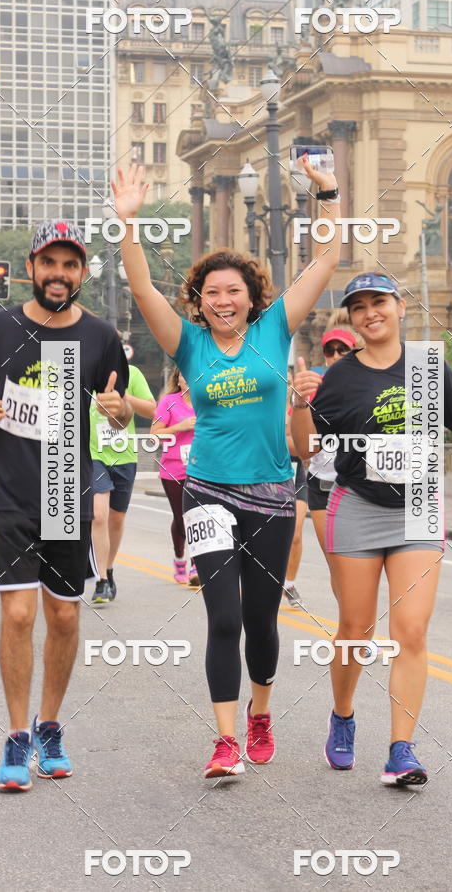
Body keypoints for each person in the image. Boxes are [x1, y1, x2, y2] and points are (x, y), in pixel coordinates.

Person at [115, 161, 342, 779]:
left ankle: (260, 711)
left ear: (250, 298)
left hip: (270, 497)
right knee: (224, 617)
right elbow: (142, 293)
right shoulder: (188, 343)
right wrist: (128, 224)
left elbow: (323, 264)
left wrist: (327, 195)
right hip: (208, 493)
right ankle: (224, 740)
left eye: (232, 291)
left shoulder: (274, 329)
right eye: (211, 292)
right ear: (200, 300)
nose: (222, 301)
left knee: (264, 620)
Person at [291, 272, 452, 786]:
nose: (371, 312)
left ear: (400, 306)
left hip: (419, 509)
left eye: (379, 302)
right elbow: (305, 449)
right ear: (352, 317)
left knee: (410, 631)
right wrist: (299, 405)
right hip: (358, 506)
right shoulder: (340, 377)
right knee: (357, 631)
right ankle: (342, 715)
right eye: (359, 306)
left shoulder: (431, 366)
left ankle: (400, 750)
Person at [0, 220, 130, 792]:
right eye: (49, 262)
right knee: (17, 614)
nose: (59, 274)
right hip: (7, 488)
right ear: (31, 268)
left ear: (82, 273)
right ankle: (15, 736)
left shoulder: (101, 336)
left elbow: (120, 403)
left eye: (70, 264)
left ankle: (50, 726)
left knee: (62, 615)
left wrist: (120, 411)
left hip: (66, 488)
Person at [90, 354, 156, 606]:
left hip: (124, 455)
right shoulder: (85, 374)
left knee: (116, 519)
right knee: (99, 515)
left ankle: (109, 567)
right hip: (93, 454)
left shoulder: (133, 374)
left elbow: (152, 409)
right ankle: (101, 580)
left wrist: (123, 397)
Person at [306, 329, 356, 562]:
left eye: (342, 349)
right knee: (334, 560)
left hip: (355, 484)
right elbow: (298, 441)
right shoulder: (313, 389)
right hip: (321, 482)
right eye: (330, 350)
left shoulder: (365, 386)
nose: (335, 355)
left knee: (353, 560)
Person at [152, 367, 200, 585]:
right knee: (181, 518)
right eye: (184, 374)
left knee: (198, 517)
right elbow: (154, 435)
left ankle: (196, 566)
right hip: (173, 469)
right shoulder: (169, 402)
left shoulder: (206, 401)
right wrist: (179, 427)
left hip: (201, 469)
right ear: (178, 379)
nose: (188, 378)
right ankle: (179, 560)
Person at [282, 368, 307, 609]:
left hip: (296, 474)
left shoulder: (299, 409)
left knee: (296, 534)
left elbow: (300, 448)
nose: (284, 384)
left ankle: (289, 583)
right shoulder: (259, 405)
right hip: (266, 478)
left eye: (288, 380)